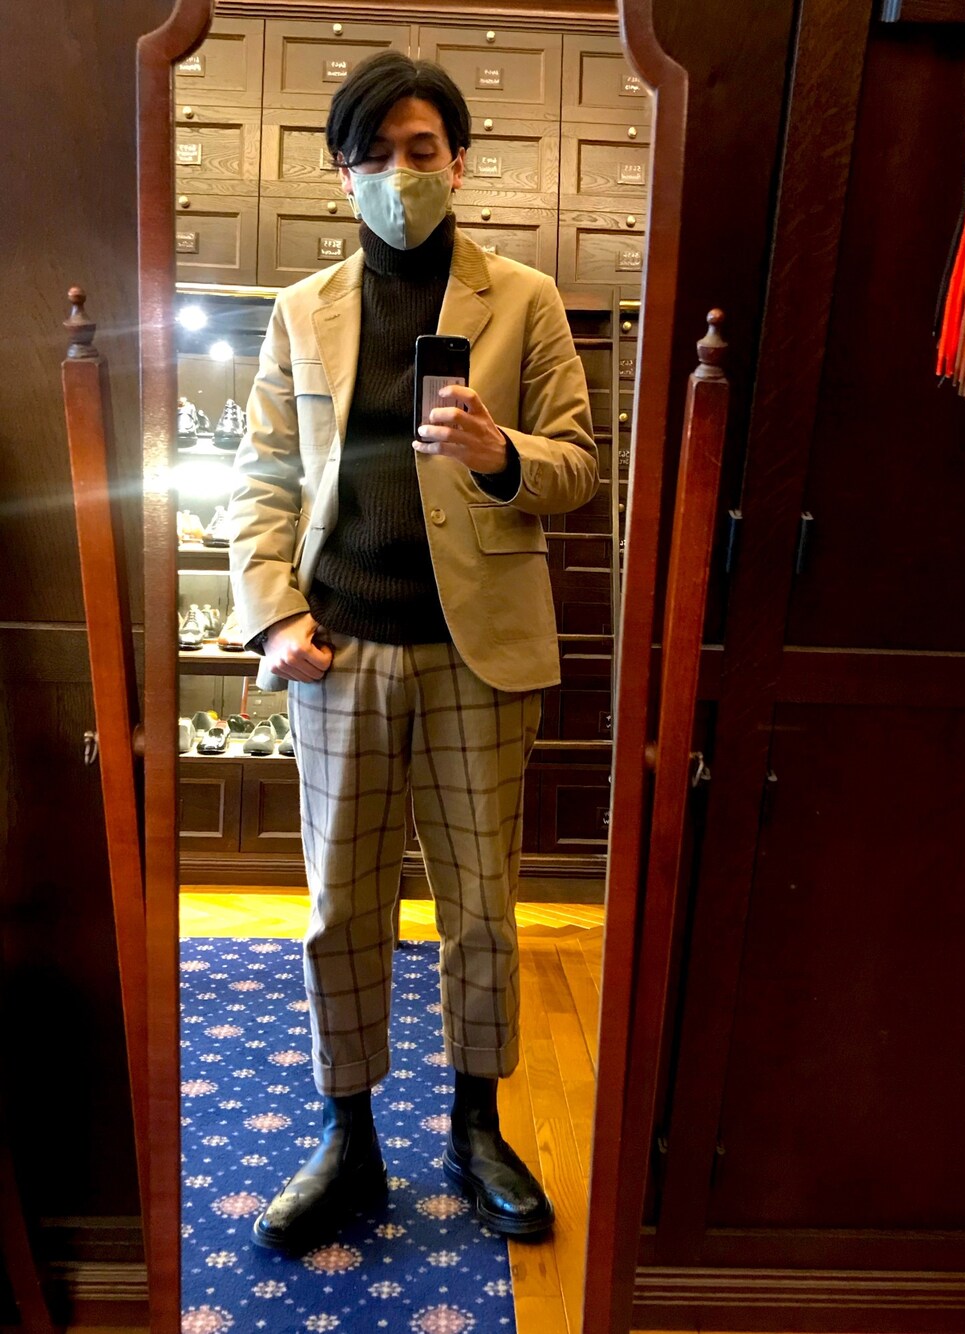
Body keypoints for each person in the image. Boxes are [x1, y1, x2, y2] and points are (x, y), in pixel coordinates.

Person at [229, 50, 598, 1255]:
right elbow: (263, 479)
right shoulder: (303, 310)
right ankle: (347, 1136)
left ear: (459, 161)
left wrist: (501, 453)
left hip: (478, 658)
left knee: (481, 907)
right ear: (344, 174)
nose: (401, 171)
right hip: (338, 651)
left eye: (422, 149)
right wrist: (274, 614)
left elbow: (578, 467)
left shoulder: (525, 299)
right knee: (340, 907)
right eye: (375, 153)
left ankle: (476, 1125)